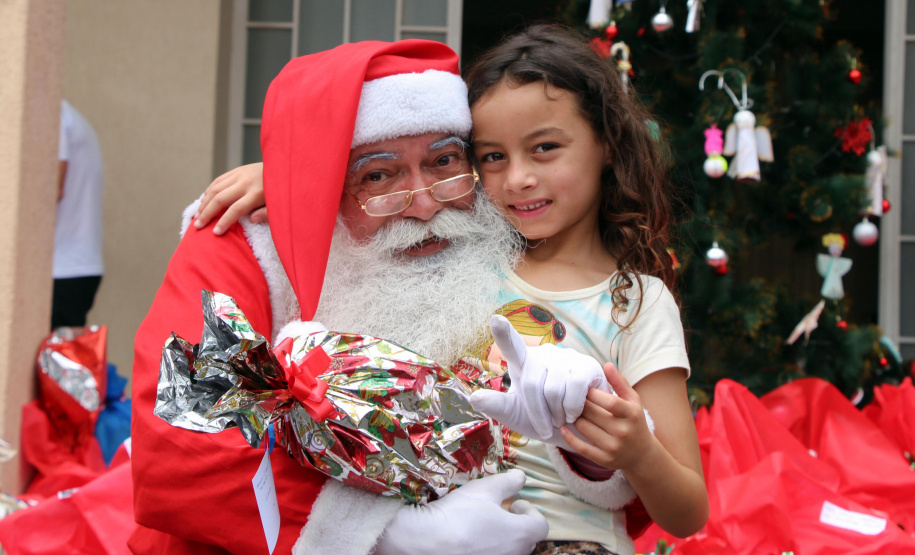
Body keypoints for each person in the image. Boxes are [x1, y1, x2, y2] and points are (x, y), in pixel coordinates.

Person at [196, 25, 708, 555]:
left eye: (545, 148)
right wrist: (296, 179)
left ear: (607, 144)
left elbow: (688, 512)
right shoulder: (463, 256)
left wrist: (638, 449)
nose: (518, 179)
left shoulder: (635, 302)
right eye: (492, 157)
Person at [131, 39, 567, 555]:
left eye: (445, 160)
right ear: (321, 185)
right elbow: (180, 446)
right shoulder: (242, 245)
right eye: (377, 175)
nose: (424, 206)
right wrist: (387, 537)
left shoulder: (502, 233)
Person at [52, 100, 104, 329]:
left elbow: (50, 190)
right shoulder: (63, 114)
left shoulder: (52, 115)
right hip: (71, 266)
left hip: (63, 268)